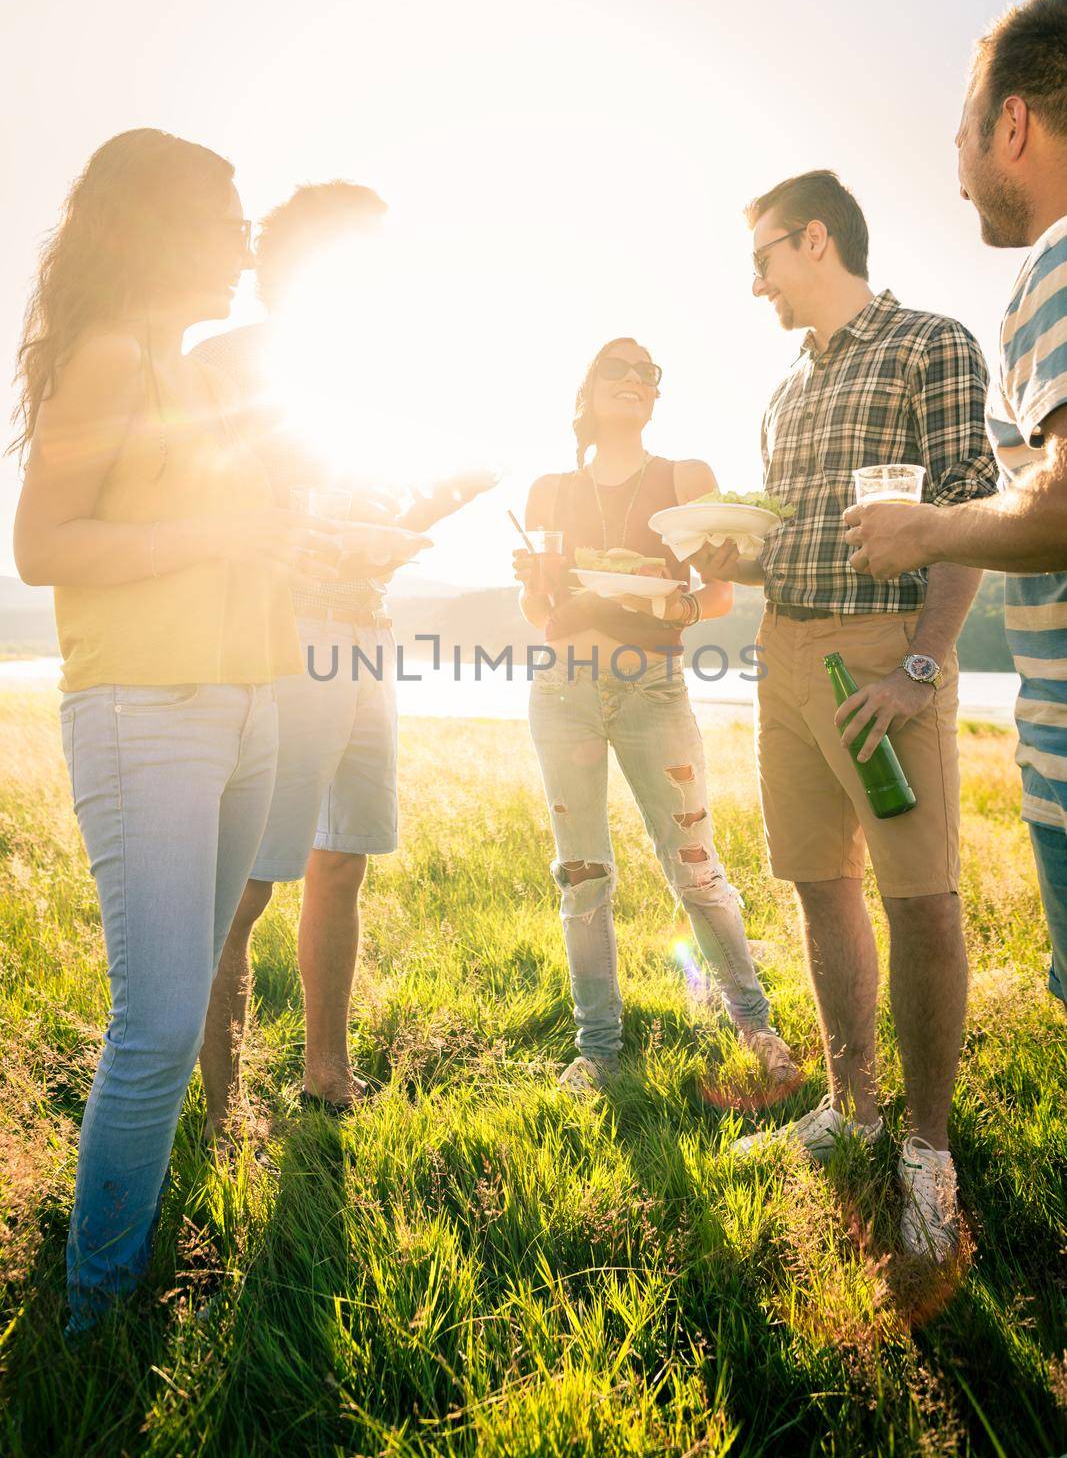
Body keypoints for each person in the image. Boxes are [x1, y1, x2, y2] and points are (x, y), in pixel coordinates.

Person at [10, 129, 341, 1332]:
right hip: (144, 714)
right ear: (158, 225)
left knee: (188, 983)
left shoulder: (197, 371)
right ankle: (93, 1311)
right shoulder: (107, 360)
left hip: (248, 701)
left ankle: (126, 1257)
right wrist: (217, 538)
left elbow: (227, 528)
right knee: (153, 1020)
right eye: (226, 214)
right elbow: (43, 545)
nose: (245, 237)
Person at [691, 172, 998, 1260]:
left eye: (764, 256)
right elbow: (791, 534)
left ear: (814, 240)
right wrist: (736, 550)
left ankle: (923, 1149)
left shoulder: (929, 342)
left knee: (919, 899)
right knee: (819, 888)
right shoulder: (782, 389)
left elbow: (964, 508)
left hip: (882, 656)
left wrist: (919, 666)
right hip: (785, 654)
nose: (757, 281)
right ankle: (850, 1105)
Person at [192, 182, 493, 1130]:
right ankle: (220, 1102)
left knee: (341, 861)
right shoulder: (229, 363)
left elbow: (369, 499)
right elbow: (206, 506)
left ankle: (327, 1072)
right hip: (280, 634)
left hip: (365, 632)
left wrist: (419, 513)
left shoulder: (370, 374)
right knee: (245, 885)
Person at [844, 0, 1067, 1023]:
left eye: (960, 136)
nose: (958, 172)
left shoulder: (1054, 267)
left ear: (1010, 123)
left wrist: (924, 526)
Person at [514, 337, 797, 1097]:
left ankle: (755, 1026)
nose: (637, 381)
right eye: (619, 369)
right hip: (563, 689)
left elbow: (720, 591)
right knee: (581, 877)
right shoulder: (547, 490)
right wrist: (534, 585)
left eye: (648, 373)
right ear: (587, 392)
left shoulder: (684, 477)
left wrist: (675, 602)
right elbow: (542, 611)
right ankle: (598, 1050)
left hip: (652, 689)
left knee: (695, 868)